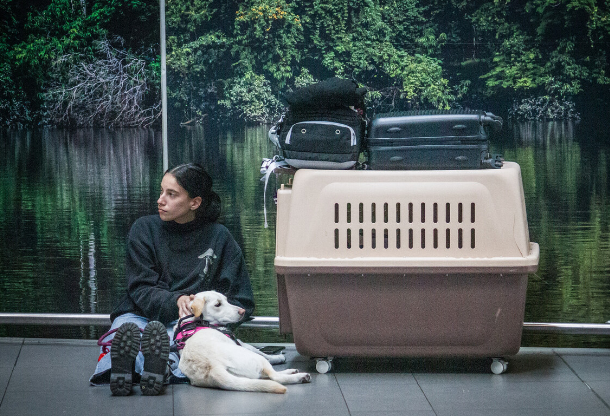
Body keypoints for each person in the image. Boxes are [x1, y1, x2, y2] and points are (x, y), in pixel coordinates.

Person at [90, 162, 255, 396]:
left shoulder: (220, 237)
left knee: (186, 343)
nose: (160, 200)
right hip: (139, 313)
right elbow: (141, 287)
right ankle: (134, 368)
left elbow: (240, 301)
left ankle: (151, 367)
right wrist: (176, 301)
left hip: (192, 324)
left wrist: (205, 320)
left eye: (171, 194)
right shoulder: (144, 229)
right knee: (125, 333)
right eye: (161, 191)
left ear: (194, 202)